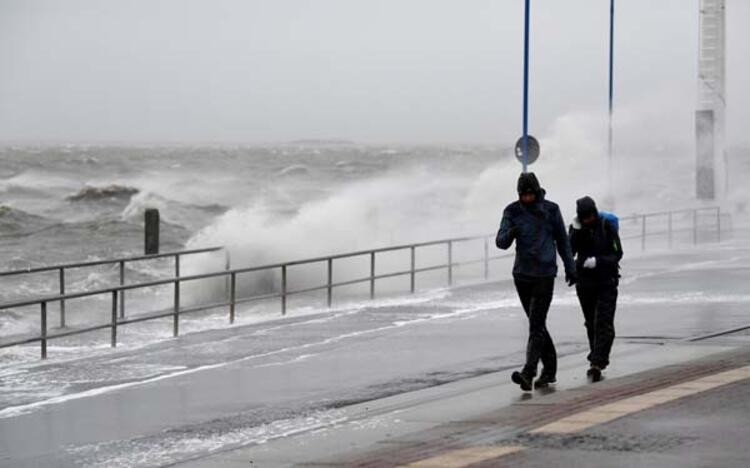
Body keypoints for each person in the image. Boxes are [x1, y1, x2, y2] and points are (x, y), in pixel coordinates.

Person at [496, 173, 577, 391]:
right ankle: (549, 369)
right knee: (537, 324)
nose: (527, 198)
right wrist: (511, 232)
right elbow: (500, 242)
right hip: (522, 275)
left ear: (537, 191)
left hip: (544, 274)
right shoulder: (512, 211)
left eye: (531, 194)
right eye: (524, 195)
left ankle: (528, 373)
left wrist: (571, 267)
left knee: (536, 325)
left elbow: (562, 240)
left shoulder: (551, 210)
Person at [569, 196, 623, 382]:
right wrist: (576, 231)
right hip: (585, 284)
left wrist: (598, 262)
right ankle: (596, 355)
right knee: (591, 322)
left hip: (606, 281)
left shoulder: (606, 226)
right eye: (584, 218)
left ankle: (598, 362)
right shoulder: (577, 228)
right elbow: (569, 251)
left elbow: (618, 253)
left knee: (604, 322)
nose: (588, 220)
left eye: (590, 216)